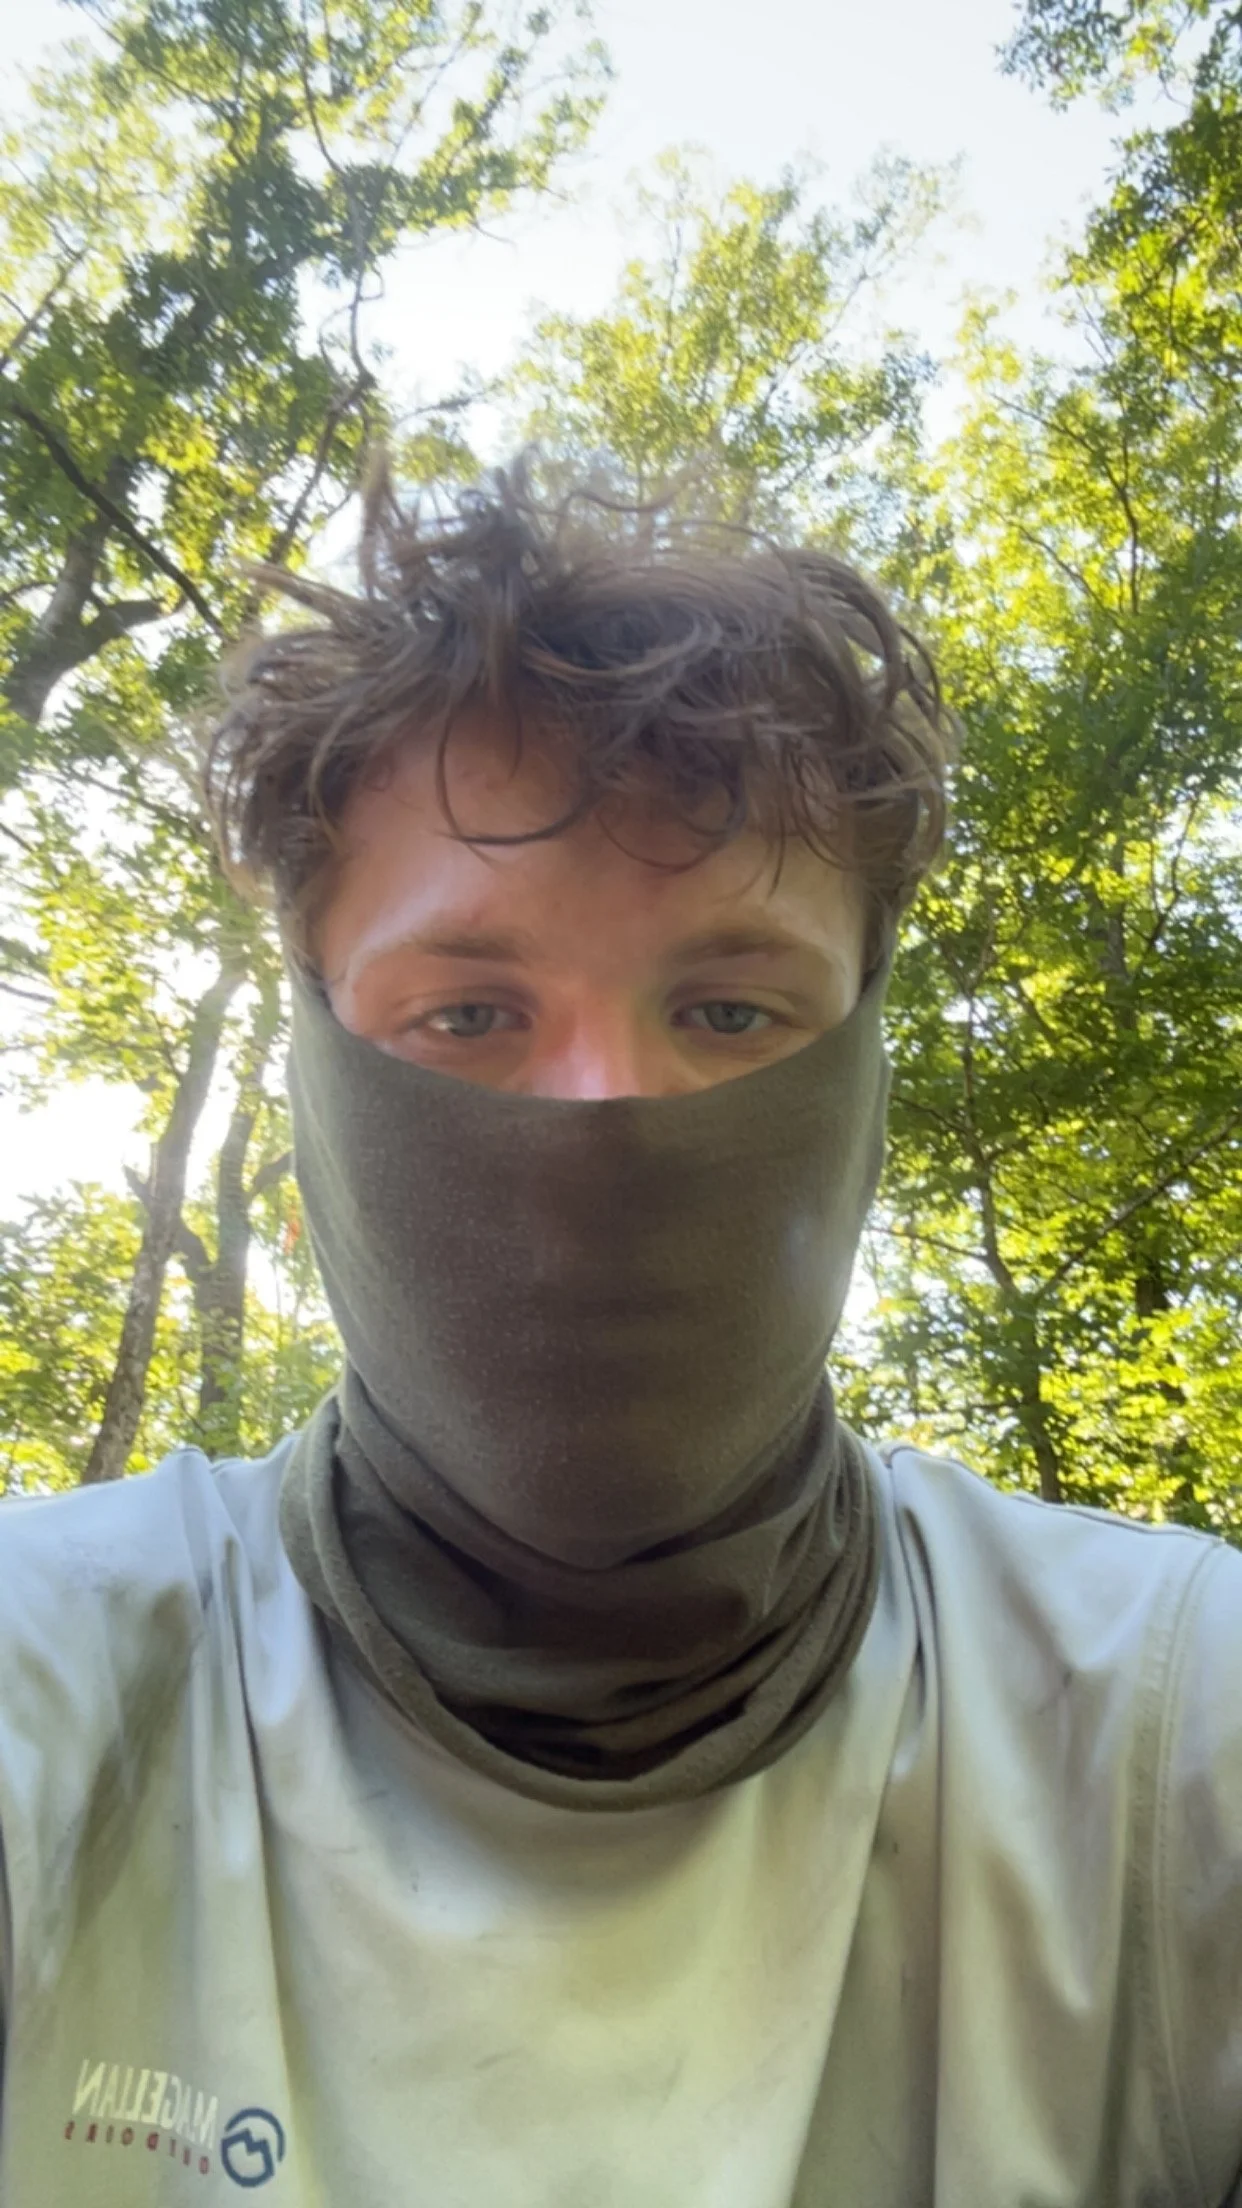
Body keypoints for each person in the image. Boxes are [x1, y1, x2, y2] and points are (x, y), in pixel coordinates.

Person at [0, 463, 1238, 2208]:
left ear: (861, 1076)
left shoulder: (1164, 1733)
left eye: (729, 1009)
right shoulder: (57, 1678)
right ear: (320, 1086)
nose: (602, 1114)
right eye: (466, 1014)